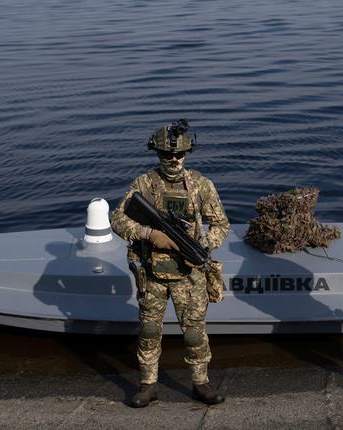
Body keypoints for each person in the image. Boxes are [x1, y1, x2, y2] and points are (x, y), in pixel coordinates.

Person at [111, 119, 230, 408]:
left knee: (194, 333)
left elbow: (220, 224)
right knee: (149, 331)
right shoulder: (144, 184)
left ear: (187, 153)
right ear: (157, 154)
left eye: (178, 154)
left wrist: (203, 245)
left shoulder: (201, 185)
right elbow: (118, 219)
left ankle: (201, 383)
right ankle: (148, 385)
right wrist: (149, 234)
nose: (174, 160)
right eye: (167, 155)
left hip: (189, 275)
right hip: (152, 273)